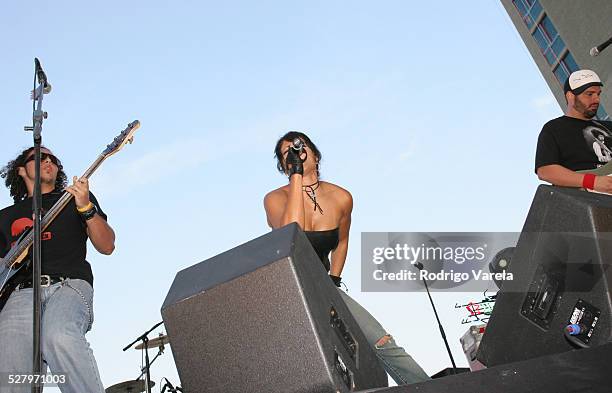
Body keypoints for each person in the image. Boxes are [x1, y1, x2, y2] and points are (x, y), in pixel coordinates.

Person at [263, 131, 430, 385]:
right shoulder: (275, 199)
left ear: (315, 155)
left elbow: (341, 241)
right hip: (291, 287)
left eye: (299, 147)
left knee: (380, 341)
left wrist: (334, 279)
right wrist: (296, 176)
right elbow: (291, 234)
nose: (294, 153)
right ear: (283, 166)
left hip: (323, 284)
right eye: (287, 154)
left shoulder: (342, 197)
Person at [0, 147, 115, 393]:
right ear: (21, 170)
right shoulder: (6, 216)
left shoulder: (75, 198)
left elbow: (107, 245)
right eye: (39, 157)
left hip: (68, 285)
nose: (48, 161)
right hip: (18, 294)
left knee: (59, 335)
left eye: (52, 158)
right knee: (11, 373)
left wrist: (86, 208)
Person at [535, 69, 612, 193]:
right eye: (590, 94)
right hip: (590, 196)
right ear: (570, 96)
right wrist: (592, 182)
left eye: (598, 94)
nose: (597, 99)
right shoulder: (554, 128)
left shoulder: (609, 126)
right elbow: (545, 171)